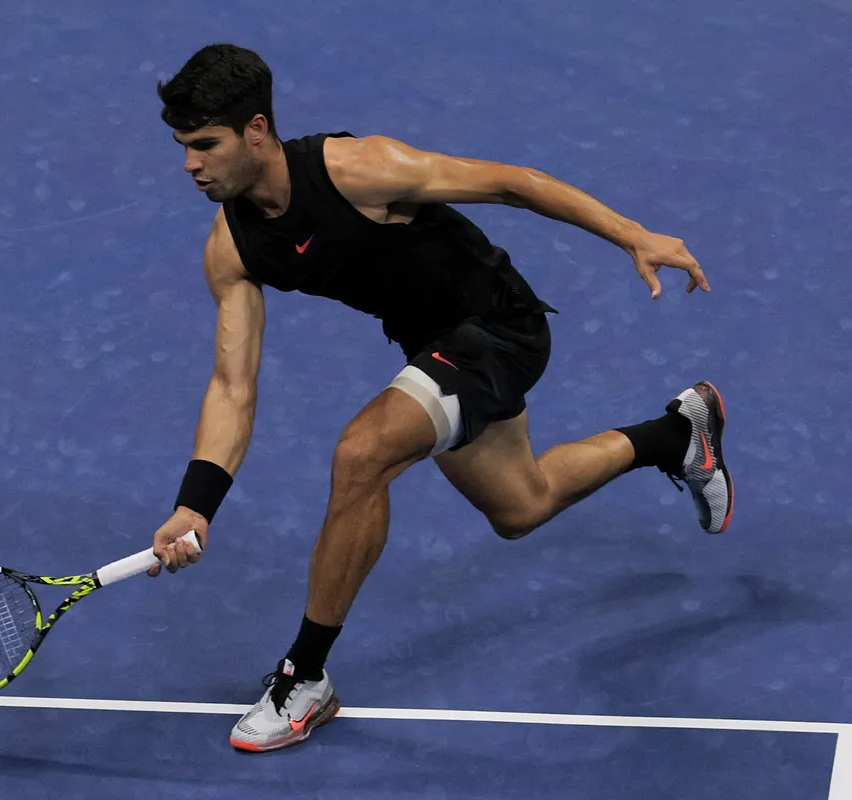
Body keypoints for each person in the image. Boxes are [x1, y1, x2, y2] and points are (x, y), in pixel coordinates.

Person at [144, 43, 733, 753]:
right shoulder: (231, 245)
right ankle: (677, 435)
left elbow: (510, 183)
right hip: (432, 347)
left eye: (206, 144)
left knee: (364, 452)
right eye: (183, 147)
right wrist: (194, 505)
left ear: (258, 130)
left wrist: (633, 236)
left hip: (498, 329)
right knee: (522, 505)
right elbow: (232, 386)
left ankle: (306, 677)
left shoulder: (356, 168)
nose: (191, 165)